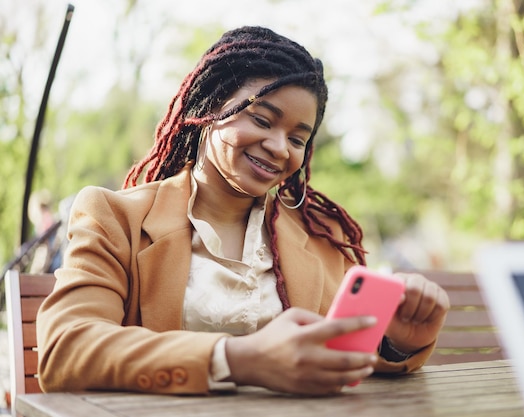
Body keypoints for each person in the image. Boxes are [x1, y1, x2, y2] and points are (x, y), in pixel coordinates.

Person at [36, 26, 450, 396]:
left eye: (297, 138)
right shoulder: (116, 217)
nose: (279, 146)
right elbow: (67, 348)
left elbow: (341, 358)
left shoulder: (322, 238)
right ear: (210, 107)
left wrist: (395, 343)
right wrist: (237, 359)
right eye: (262, 119)